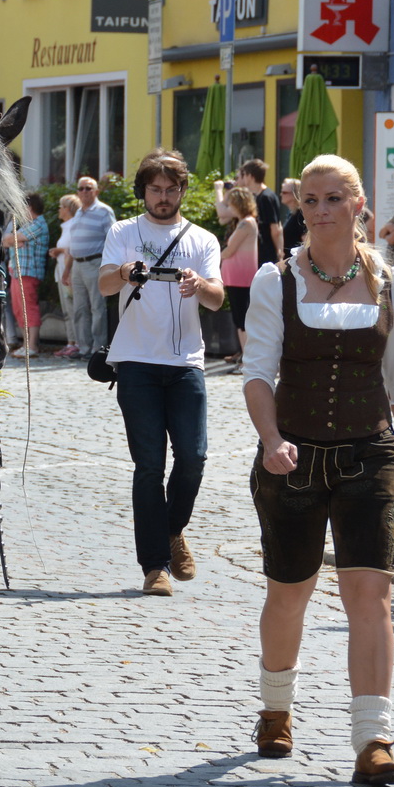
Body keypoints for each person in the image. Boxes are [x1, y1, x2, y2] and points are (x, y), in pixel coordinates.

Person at [241, 153, 394, 787]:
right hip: (292, 456)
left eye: (333, 199)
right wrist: (271, 439)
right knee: (289, 591)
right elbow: (257, 373)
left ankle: (373, 740)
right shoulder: (276, 280)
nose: (320, 211)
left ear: (358, 205)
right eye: (310, 200)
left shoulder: (390, 281)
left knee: (370, 595)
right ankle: (275, 708)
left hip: (369, 454)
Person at [99, 150, 224, 597]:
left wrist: (199, 285)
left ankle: (172, 530)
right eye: (156, 189)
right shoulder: (123, 231)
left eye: (171, 189)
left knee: (193, 456)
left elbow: (217, 299)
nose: (164, 197)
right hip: (136, 361)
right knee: (149, 465)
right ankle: (155, 567)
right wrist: (125, 272)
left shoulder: (202, 239)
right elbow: (104, 284)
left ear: (183, 191)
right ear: (144, 191)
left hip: (185, 361)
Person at [59, 176, 115, 358]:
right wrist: (67, 270)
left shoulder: (104, 211)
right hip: (77, 265)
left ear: (96, 191)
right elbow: (73, 244)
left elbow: (113, 240)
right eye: (81, 188)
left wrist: (107, 266)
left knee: (97, 307)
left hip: (94, 263)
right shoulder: (78, 214)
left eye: (88, 188)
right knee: (79, 308)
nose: (84, 191)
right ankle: (84, 348)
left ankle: (98, 349)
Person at [1, 192, 49, 359]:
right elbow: (6, 241)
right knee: (19, 310)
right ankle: (26, 345)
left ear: (29, 207)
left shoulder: (38, 224)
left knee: (29, 309)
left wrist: (13, 240)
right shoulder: (29, 225)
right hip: (18, 272)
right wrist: (14, 240)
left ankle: (32, 346)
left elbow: (11, 240)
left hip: (29, 273)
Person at [220, 186, 259, 367]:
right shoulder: (244, 222)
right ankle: (245, 357)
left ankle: (247, 359)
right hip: (236, 276)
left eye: (232, 204)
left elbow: (230, 250)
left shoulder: (246, 223)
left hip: (240, 277)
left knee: (242, 318)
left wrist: (214, 256)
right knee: (239, 318)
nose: (229, 207)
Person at [46, 194, 78, 356]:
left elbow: (74, 249)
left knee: (72, 308)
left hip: (70, 272)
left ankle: (76, 343)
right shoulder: (65, 226)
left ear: (68, 209)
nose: (59, 209)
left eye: (61, 206)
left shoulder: (73, 226)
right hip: (62, 271)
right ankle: (70, 342)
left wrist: (59, 250)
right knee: (66, 309)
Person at [238, 158, 284, 267]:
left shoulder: (266, 197)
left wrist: (279, 252)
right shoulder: (256, 196)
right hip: (258, 252)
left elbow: (275, 228)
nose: (243, 178)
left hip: (267, 254)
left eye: (244, 175)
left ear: (250, 176)